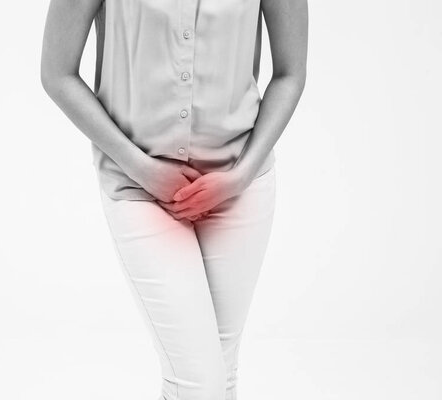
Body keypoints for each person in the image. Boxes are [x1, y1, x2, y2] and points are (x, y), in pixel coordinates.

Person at [41, 0, 307, 399]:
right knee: (199, 381)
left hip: (240, 183)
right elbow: (57, 73)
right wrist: (142, 167)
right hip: (139, 186)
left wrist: (240, 177)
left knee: (219, 371)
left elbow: (290, 74)